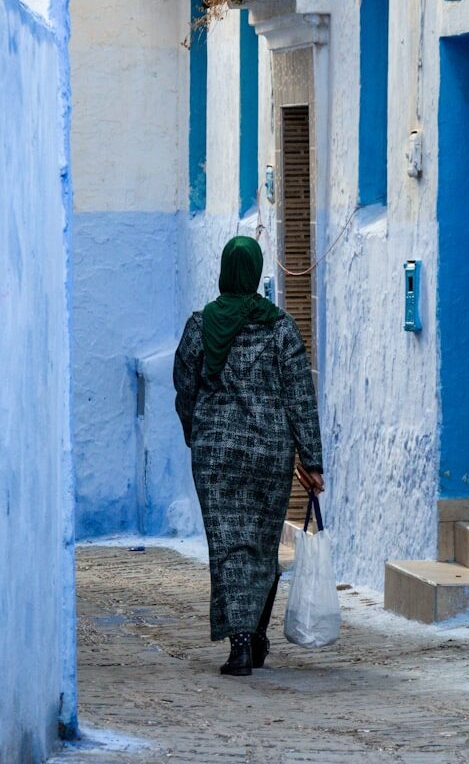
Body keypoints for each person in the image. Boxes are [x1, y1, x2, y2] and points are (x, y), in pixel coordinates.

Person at [173, 236, 324, 677]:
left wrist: (196, 432)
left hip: (216, 459)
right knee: (261, 546)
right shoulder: (280, 328)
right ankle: (255, 633)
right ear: (255, 272)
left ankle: (240, 642)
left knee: (228, 547)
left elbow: (185, 389)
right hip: (268, 455)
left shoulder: (200, 327)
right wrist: (311, 460)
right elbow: (300, 397)